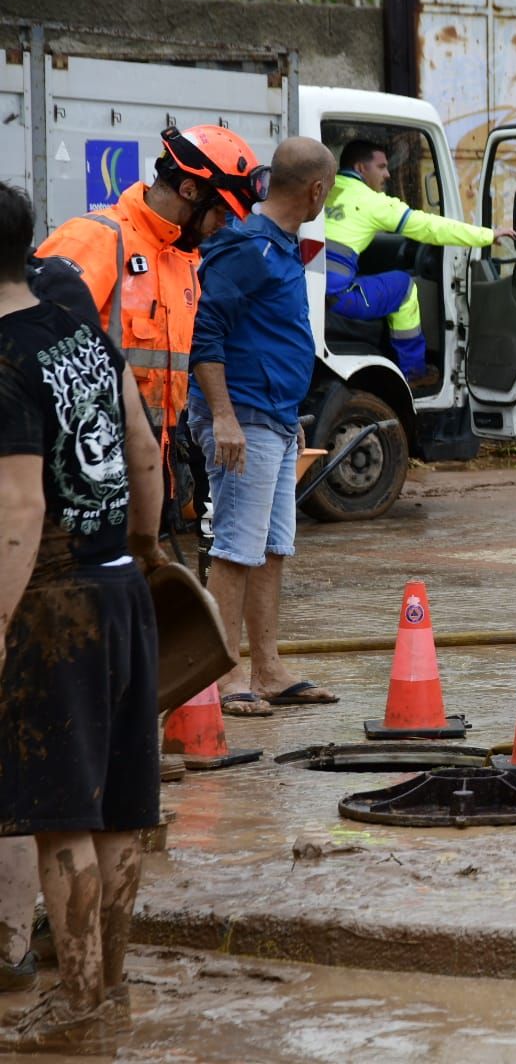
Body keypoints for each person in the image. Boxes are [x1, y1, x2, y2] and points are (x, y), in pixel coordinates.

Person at [0, 180, 167, 1053]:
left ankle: (72, 1003)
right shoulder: (86, 337)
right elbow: (144, 454)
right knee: (120, 806)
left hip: (52, 599)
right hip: (121, 587)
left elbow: (18, 508)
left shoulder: (2, 359)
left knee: (63, 812)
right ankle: (110, 986)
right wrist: (146, 550)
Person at [189, 138, 340, 717]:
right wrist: (224, 416)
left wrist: (286, 417)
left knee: (272, 549)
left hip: (271, 418)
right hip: (242, 419)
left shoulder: (277, 245)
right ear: (316, 190)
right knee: (235, 549)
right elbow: (207, 335)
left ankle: (268, 669)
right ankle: (224, 677)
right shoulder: (248, 246)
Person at [35, 124, 262, 496]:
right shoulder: (94, 238)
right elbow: (36, 351)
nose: (224, 225)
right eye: (221, 211)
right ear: (190, 190)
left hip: (152, 465)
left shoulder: (184, 259)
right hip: (87, 464)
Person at [325, 140, 515, 392]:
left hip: (308, 293)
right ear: (361, 167)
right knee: (404, 287)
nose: (387, 173)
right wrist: (487, 235)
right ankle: (414, 371)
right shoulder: (372, 202)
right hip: (337, 299)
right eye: (381, 167)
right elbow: (430, 227)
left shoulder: (324, 191)